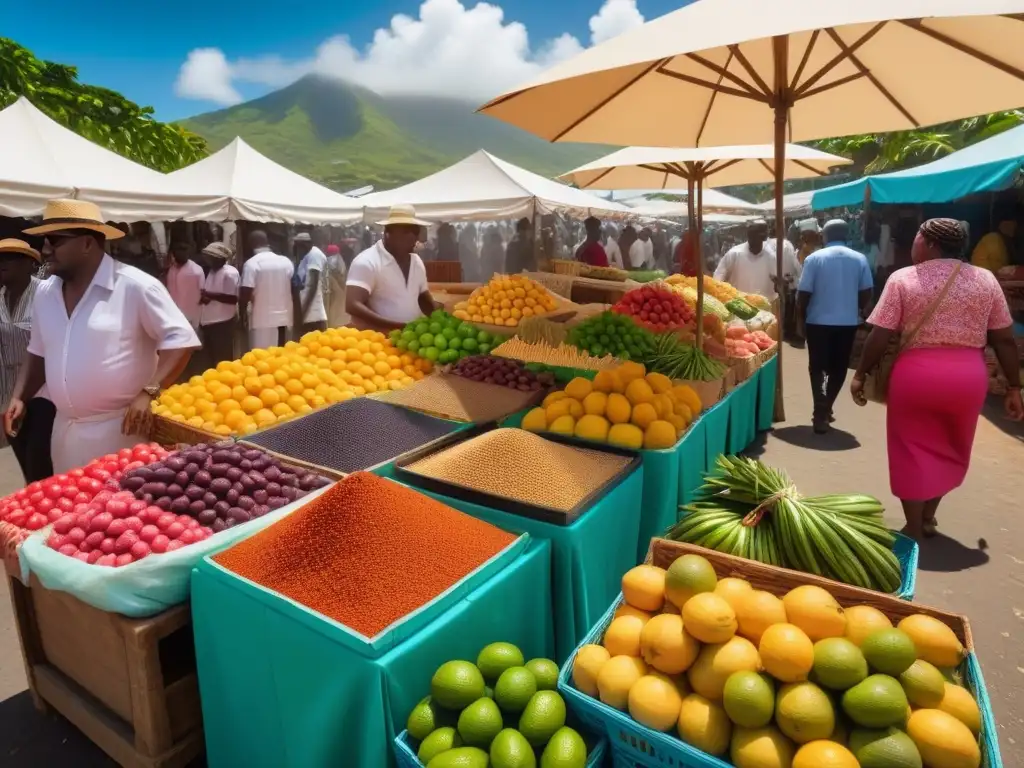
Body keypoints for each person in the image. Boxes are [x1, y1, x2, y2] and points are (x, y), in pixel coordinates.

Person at [851, 218, 1023, 540]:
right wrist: (1014, 387)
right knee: (950, 444)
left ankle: (913, 526)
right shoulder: (986, 281)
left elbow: (880, 334)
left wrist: (860, 374)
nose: (913, 240)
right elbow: (1003, 340)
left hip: (916, 377)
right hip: (967, 378)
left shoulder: (903, 278)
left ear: (930, 243)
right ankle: (929, 516)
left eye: (917, 235)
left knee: (910, 447)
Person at [4, 200, 198, 474]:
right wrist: (20, 396)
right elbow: (38, 350)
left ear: (87, 243)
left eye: (55, 240)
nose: (45, 249)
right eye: (44, 240)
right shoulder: (46, 293)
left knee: (121, 511)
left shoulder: (135, 286)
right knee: (71, 509)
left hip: (122, 432)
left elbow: (182, 342)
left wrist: (149, 391)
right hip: (65, 432)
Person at [797, 220, 874, 433]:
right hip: (847, 323)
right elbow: (866, 291)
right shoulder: (859, 259)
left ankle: (820, 411)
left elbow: (804, 293)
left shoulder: (814, 259)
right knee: (839, 368)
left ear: (825, 236)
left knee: (818, 368)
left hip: (817, 323)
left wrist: (800, 320)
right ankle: (826, 406)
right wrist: (855, 308)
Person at [0, 239, 54, 482]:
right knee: (22, 457)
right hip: (6, 392)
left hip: (42, 393)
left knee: (39, 463)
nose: (2, 263)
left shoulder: (46, 294)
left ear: (30, 264)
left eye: (11, 257)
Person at [346, 205, 439, 332]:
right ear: (388, 233)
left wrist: (440, 318)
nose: (415, 238)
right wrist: (398, 326)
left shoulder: (416, 262)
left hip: (410, 340)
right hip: (376, 344)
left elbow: (422, 298)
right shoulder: (367, 261)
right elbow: (352, 305)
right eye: (408, 231)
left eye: (416, 231)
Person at [240, 230, 294, 350]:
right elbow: (294, 288)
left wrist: (242, 315)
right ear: (267, 243)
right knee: (281, 356)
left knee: (261, 357)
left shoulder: (251, 264)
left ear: (251, 244)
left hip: (261, 320)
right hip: (284, 318)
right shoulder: (285, 262)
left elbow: (246, 292)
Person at [714, 220, 780, 298]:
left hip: (767, 306)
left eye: (755, 234)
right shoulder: (734, 254)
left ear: (764, 237)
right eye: (750, 233)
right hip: (740, 306)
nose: (751, 237)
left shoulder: (772, 256)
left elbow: (779, 284)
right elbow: (717, 280)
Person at [198, 242, 239, 368]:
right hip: (209, 321)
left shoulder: (230, 273)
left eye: (210, 257)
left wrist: (210, 295)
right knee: (211, 359)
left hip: (222, 322)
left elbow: (232, 298)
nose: (207, 260)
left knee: (223, 360)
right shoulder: (212, 271)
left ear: (220, 258)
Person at [292, 232, 328, 336]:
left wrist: (302, 314)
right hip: (307, 314)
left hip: (313, 315)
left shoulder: (314, 255)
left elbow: (313, 286)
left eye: (297, 246)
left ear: (304, 245)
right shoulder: (306, 256)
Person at [166, 240, 205, 330]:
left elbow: (202, 294)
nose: (181, 255)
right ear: (173, 254)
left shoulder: (196, 270)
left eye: (184, 252)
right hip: (174, 315)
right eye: (178, 253)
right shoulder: (171, 269)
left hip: (191, 316)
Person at [325, 243, 350, 327]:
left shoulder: (330, 260)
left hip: (333, 287)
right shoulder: (339, 260)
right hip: (338, 287)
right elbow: (342, 272)